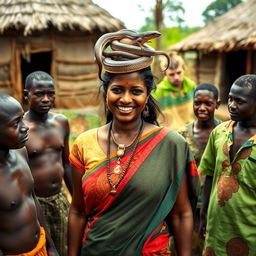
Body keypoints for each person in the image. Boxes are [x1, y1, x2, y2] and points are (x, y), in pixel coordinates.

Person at [68, 30, 199, 256]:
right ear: (106, 93)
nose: (126, 99)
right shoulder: (83, 144)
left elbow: (181, 213)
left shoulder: (170, 144)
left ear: (147, 96)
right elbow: (78, 212)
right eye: (117, 90)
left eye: (136, 91)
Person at [199, 74, 256, 255]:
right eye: (230, 99)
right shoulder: (220, 132)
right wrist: (204, 213)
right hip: (217, 230)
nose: (231, 105)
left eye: (240, 101)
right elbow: (209, 174)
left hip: (249, 233)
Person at [0, 92, 58, 256]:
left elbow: (32, 199)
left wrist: (50, 246)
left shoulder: (20, 153)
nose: (25, 127)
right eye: (15, 124)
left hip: (40, 247)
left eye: (22, 119)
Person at [23, 71, 72, 256]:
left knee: (64, 248)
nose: (46, 99)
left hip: (59, 199)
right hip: (32, 203)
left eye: (50, 93)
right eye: (38, 94)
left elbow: (66, 163)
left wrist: (77, 202)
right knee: (40, 250)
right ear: (26, 94)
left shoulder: (61, 122)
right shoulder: (20, 128)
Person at [177, 83, 221, 255]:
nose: (202, 108)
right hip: (189, 204)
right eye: (197, 103)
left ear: (217, 104)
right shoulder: (182, 135)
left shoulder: (226, 132)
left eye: (208, 103)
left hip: (216, 204)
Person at [152, 52, 196, 130]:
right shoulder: (158, 92)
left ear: (184, 69)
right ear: (165, 74)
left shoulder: (192, 87)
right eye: (171, 74)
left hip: (192, 131)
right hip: (170, 134)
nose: (176, 77)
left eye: (179, 73)